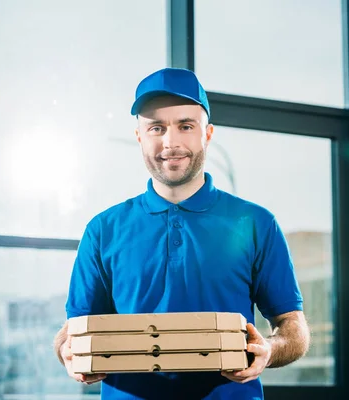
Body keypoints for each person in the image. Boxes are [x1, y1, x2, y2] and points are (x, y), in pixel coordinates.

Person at [53, 67, 310, 399]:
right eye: (156, 127)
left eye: (185, 126)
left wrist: (270, 350)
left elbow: (293, 326)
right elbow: (72, 331)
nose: (170, 142)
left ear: (208, 133)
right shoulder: (102, 229)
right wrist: (67, 353)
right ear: (139, 137)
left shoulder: (256, 222)